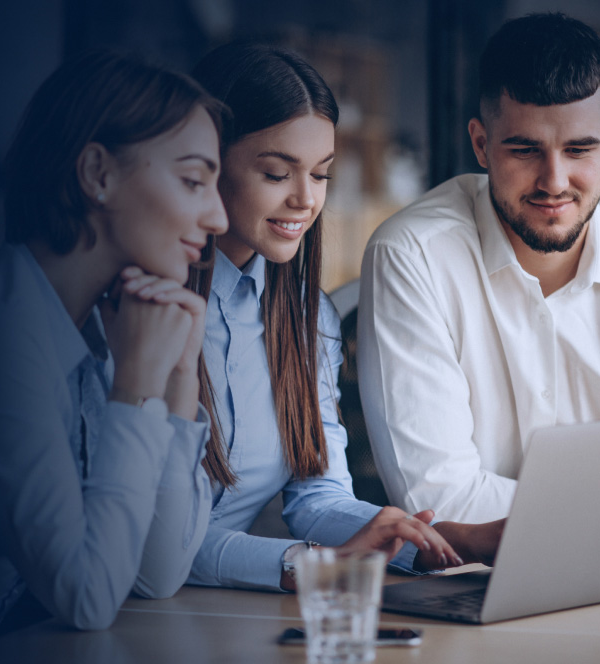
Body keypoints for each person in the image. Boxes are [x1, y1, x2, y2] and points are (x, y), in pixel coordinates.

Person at [0, 50, 229, 658]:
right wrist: (135, 384)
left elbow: (156, 573)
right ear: (98, 174)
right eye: (194, 181)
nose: (217, 215)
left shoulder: (103, 322)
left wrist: (178, 380)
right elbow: (88, 598)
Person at [127, 41, 500, 595]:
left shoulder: (306, 318)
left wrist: (436, 543)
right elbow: (151, 548)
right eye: (278, 174)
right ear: (206, 165)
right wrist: (308, 563)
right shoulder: (139, 314)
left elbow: (318, 497)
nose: (306, 199)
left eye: (322, 174)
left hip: (209, 614)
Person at [358, 13, 600, 524]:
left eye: (579, 149)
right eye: (525, 150)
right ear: (481, 143)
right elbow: (440, 503)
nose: (554, 181)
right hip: (468, 585)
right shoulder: (412, 255)